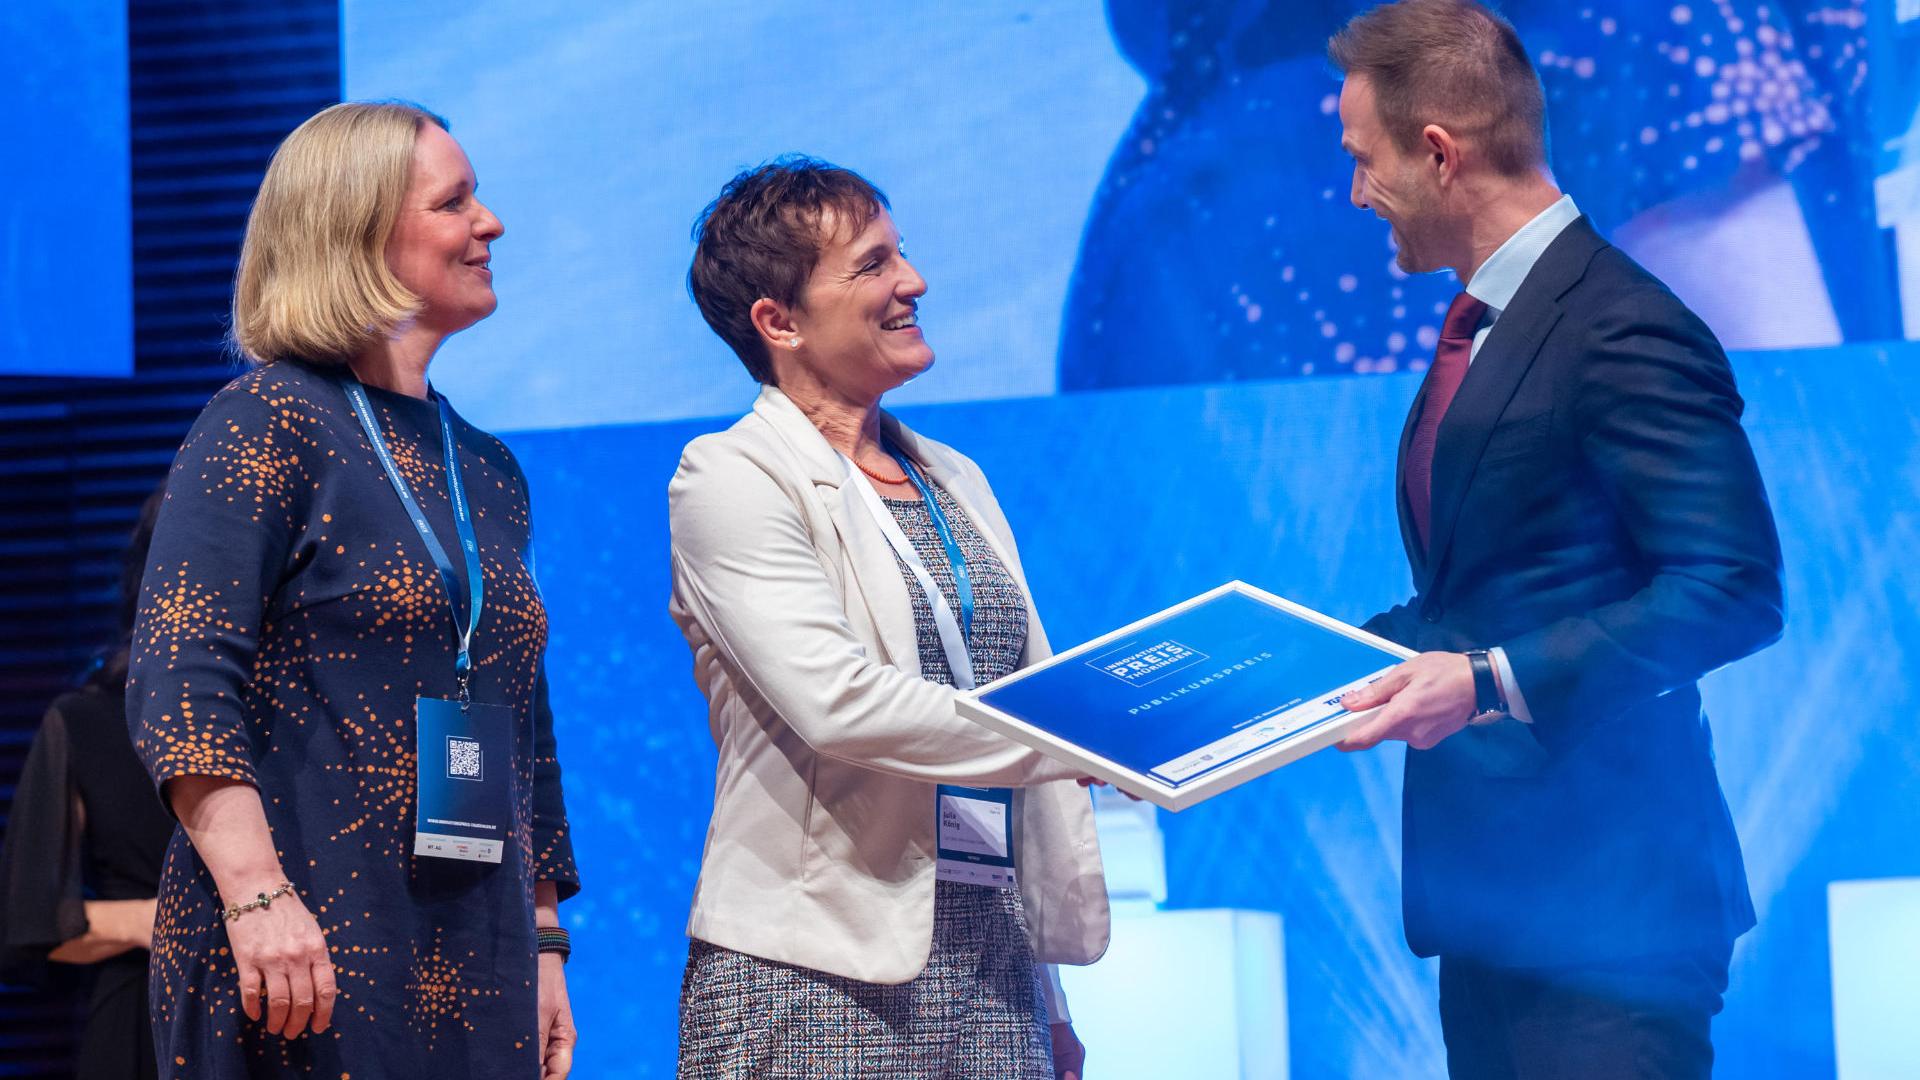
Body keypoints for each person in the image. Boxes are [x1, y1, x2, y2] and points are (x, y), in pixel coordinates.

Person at [1323, 2, 1785, 1077]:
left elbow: (1731, 587)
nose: (1355, 193)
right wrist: (1252, 688)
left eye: (1363, 159)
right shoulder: (1497, 324)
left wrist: (1486, 682)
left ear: (1438, 152)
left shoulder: (1620, 322)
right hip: (1495, 913)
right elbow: (1469, 599)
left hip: (1611, 926)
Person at [125, 101, 579, 1079]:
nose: (489, 223)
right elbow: (179, 673)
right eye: (456, 202)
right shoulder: (263, 423)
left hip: (474, 956)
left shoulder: (488, 467)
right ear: (361, 235)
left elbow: (525, 730)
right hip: (298, 950)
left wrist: (544, 948)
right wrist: (256, 899)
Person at [669, 156, 1109, 1079]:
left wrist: (1048, 997)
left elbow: (1010, 705)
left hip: (991, 972)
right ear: (778, 321)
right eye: (871, 265)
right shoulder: (732, 476)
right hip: (810, 980)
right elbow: (840, 705)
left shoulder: (955, 477)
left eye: (901, 254)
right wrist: (1082, 741)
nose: (912, 282)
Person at [0, 491, 173, 1080]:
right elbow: (30, 921)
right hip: (141, 1017)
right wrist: (155, 919)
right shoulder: (86, 719)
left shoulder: (302, 716)